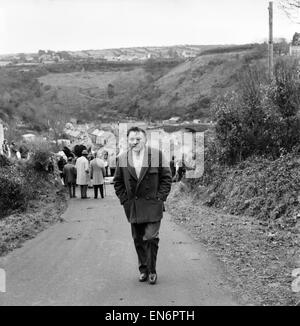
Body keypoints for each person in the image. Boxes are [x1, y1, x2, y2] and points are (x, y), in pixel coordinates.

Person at [113, 127, 172, 285]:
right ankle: (143, 269)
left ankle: (152, 270)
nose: (135, 142)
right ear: (128, 140)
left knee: (151, 238)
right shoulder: (123, 158)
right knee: (138, 239)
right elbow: (117, 182)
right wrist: (125, 200)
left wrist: (160, 197)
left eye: (138, 139)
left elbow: (167, 178)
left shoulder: (156, 155)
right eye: (132, 139)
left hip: (153, 205)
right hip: (134, 207)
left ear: (145, 139)